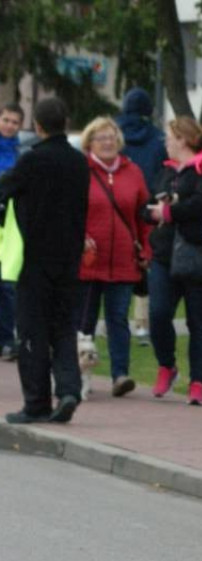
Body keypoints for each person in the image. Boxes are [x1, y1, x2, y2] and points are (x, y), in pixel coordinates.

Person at [0, 97, 90, 424]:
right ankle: (68, 389)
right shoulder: (79, 162)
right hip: (70, 257)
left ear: (37, 126)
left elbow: (4, 190)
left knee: (32, 331)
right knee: (64, 327)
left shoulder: (32, 161)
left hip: (35, 257)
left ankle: (36, 402)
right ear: (65, 123)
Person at [145, 116, 202, 406]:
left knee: (199, 322)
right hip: (165, 254)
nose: (166, 144)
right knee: (158, 314)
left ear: (182, 139)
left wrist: (169, 212)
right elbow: (148, 205)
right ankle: (166, 364)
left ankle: (198, 382)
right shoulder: (167, 171)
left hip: (200, 255)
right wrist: (154, 212)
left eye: (169, 138)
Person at [76, 116, 152, 398]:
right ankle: (78, 375)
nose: (107, 142)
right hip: (88, 261)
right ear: (90, 142)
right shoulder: (80, 171)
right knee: (84, 321)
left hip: (123, 260)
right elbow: (70, 212)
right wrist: (79, 238)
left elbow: (144, 216)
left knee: (118, 319)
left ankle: (120, 374)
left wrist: (146, 249)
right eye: (101, 138)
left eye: (111, 137)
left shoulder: (133, 172)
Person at [116, 87, 167, 346]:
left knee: (117, 261)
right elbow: (163, 173)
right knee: (145, 261)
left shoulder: (114, 134)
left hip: (117, 204)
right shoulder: (157, 139)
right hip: (147, 205)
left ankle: (116, 319)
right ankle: (142, 324)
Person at [0, 101, 23, 361]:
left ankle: (7, 338)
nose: (9, 126)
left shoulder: (21, 154)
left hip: (11, 225)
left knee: (7, 285)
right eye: (6, 120)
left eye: (14, 122)